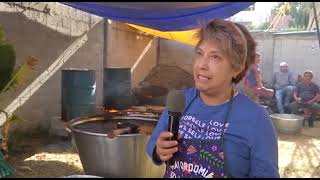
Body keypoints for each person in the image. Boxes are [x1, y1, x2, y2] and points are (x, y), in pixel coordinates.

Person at [146, 19, 279, 178]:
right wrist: (159, 150)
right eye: (200, 53)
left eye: (215, 57)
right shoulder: (180, 100)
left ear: (236, 69)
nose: (202, 65)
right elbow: (154, 144)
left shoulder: (256, 118)